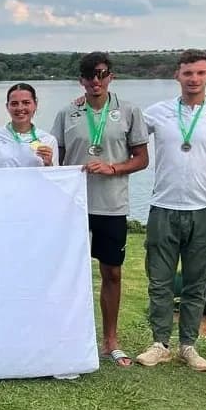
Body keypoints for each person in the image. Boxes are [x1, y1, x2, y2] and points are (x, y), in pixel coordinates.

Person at [136, 49, 206, 372]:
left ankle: (188, 345)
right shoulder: (156, 113)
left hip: (205, 209)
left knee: (197, 282)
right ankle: (159, 343)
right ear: (177, 76)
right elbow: (125, 135)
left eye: (200, 73)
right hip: (164, 208)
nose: (193, 79)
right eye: (187, 73)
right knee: (160, 280)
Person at [52, 52, 149, 367]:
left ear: (111, 77)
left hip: (111, 205)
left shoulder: (130, 111)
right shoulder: (67, 113)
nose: (96, 81)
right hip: (73, 205)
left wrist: (113, 168)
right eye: (89, 75)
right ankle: (67, 337)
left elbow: (142, 159)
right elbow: (57, 159)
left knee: (112, 272)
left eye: (101, 74)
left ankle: (110, 341)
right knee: (68, 273)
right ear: (81, 80)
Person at [0, 83, 57, 168]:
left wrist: (49, 164)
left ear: (35, 105)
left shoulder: (48, 140)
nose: (20, 108)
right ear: (7, 106)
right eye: (14, 103)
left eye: (26, 103)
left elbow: (55, 177)